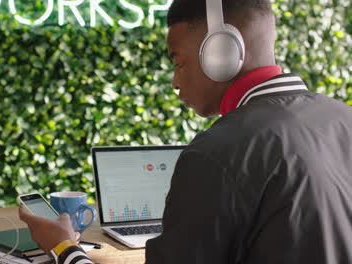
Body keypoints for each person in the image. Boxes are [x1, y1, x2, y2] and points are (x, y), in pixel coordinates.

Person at [19, 0, 352, 263]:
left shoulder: (218, 151)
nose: (176, 82)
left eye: (178, 62)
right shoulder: (344, 118)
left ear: (221, 52)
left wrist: (63, 247)